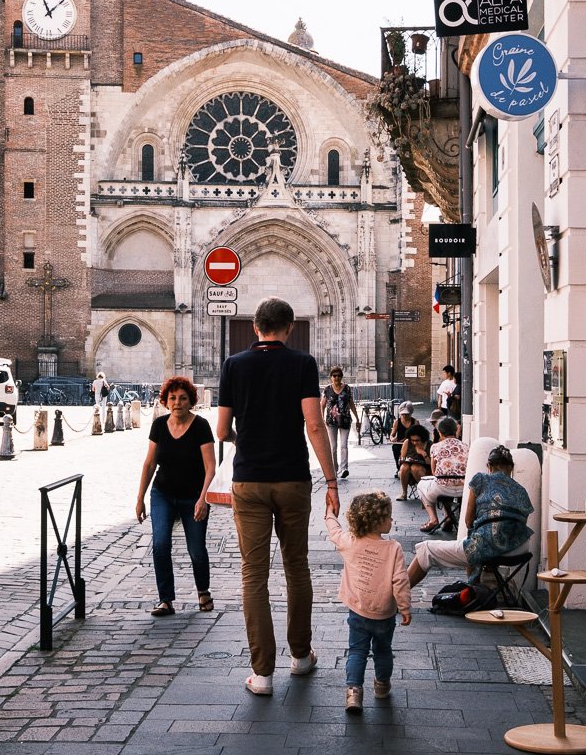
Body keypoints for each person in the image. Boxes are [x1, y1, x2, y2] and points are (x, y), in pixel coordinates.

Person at [217, 296, 339, 697]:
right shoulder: (302, 363)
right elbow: (315, 425)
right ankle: (301, 657)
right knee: (296, 566)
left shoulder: (234, 365)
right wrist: (332, 481)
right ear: (288, 328)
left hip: (249, 480)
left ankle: (262, 674)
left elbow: (221, 431)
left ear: (256, 327)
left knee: (254, 573)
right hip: (292, 479)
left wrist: (246, 440)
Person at [136, 376, 216, 616]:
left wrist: (203, 499)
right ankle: (166, 599)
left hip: (193, 496)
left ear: (191, 401)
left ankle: (203, 591)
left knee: (196, 549)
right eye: (172, 398)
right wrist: (140, 497)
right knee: (160, 544)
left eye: (182, 398)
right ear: (165, 401)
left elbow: (211, 466)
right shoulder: (159, 425)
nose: (177, 402)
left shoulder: (201, 426)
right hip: (163, 493)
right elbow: (149, 463)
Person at [325, 491, 411, 713]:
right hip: (384, 615)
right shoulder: (393, 549)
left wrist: (329, 513)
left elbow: (334, 532)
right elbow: (400, 581)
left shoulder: (351, 542)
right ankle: (382, 685)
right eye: (389, 517)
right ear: (378, 521)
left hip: (358, 610)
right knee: (383, 650)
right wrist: (405, 608)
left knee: (357, 651)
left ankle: (353, 692)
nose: (392, 520)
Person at [408, 444, 533, 586]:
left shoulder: (480, 479)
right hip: (518, 549)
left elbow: (468, 520)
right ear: (512, 468)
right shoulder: (521, 490)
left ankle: (396, 598)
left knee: (426, 550)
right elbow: (522, 522)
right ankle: (481, 587)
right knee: (481, 539)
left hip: (488, 545)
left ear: (489, 466)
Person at [417, 417, 468, 532]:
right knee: (441, 482)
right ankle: (448, 517)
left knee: (422, 485)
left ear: (440, 432)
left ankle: (433, 519)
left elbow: (434, 472)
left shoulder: (435, 447)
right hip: (464, 488)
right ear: (456, 430)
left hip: (442, 488)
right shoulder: (466, 446)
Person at [322, 366, 354, 479]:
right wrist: (321, 419)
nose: (337, 378)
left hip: (345, 420)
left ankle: (344, 468)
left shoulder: (347, 389)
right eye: (334, 376)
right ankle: (334, 470)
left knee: (344, 445)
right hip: (331, 422)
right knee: (333, 446)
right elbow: (322, 405)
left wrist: (358, 418)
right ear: (331, 377)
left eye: (339, 376)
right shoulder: (327, 389)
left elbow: (351, 403)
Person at [396, 424, 431, 501]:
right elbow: (402, 459)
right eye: (412, 440)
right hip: (408, 468)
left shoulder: (429, 444)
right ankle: (404, 493)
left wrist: (423, 454)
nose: (414, 443)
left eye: (417, 440)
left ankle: (424, 492)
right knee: (404, 467)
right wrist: (406, 459)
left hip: (424, 470)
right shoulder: (407, 442)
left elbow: (431, 464)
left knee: (415, 468)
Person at [388, 402, 414, 477]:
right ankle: (399, 468)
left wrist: (408, 439)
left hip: (411, 444)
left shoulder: (415, 422)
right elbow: (392, 434)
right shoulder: (397, 422)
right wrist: (392, 438)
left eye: (406, 414)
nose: (404, 416)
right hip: (399, 444)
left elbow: (418, 435)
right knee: (395, 448)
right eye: (403, 414)